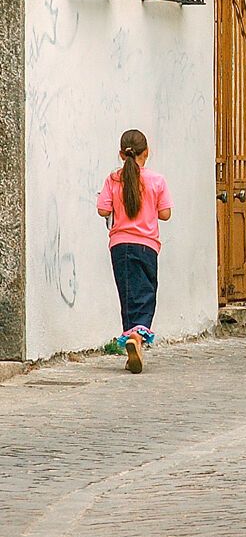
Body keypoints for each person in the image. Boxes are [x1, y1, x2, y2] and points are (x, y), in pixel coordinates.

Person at [97, 129, 173, 374]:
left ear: (121, 154)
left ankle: (132, 342)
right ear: (147, 153)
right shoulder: (157, 180)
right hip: (147, 245)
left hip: (119, 245)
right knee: (146, 293)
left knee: (128, 294)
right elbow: (165, 213)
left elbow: (102, 210)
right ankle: (137, 340)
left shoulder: (113, 180)